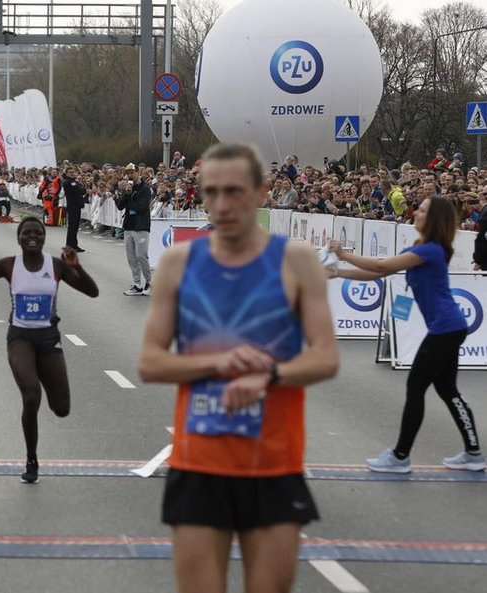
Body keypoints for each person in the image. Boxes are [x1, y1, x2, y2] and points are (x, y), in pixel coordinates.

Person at [138, 142, 339, 593]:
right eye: (211, 192)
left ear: (262, 193)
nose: (222, 205)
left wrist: (269, 376)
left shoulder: (296, 261)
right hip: (198, 464)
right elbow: (150, 362)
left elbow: (325, 356)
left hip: (272, 465)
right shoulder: (177, 263)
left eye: (234, 191)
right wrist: (217, 361)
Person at [329, 197, 485, 473]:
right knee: (447, 389)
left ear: (433, 218)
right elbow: (378, 273)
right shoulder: (419, 248)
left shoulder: (432, 250)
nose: (416, 212)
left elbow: (381, 267)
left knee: (416, 388)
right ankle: (473, 454)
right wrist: (338, 272)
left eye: (422, 210)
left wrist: (343, 255)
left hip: (446, 328)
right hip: (449, 327)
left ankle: (400, 456)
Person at [0, 217, 98, 483]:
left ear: (44, 238)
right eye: (27, 233)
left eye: (38, 233)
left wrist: (77, 268)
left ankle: (48, 393)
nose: (32, 237)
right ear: (19, 238)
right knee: (31, 395)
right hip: (20, 337)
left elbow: (92, 292)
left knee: (61, 409)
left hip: (48, 339)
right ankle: (32, 459)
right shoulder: (9, 265)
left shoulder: (56, 266)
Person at [115, 164, 153, 296]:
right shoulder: (128, 189)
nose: (130, 175)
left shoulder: (145, 189)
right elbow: (120, 206)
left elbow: (141, 207)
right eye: (128, 173)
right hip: (129, 226)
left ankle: (150, 282)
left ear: (138, 173)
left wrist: (130, 202)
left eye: (132, 172)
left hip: (141, 226)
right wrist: (126, 193)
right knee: (131, 258)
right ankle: (137, 284)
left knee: (141, 256)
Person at [61, 165, 88, 252]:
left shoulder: (74, 182)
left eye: (73, 172)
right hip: (72, 207)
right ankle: (70, 245)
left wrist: (80, 187)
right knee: (72, 227)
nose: (72, 174)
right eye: (70, 172)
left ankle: (73, 245)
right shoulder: (68, 182)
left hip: (76, 206)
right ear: (67, 174)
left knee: (75, 227)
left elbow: (83, 190)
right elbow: (80, 190)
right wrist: (80, 187)